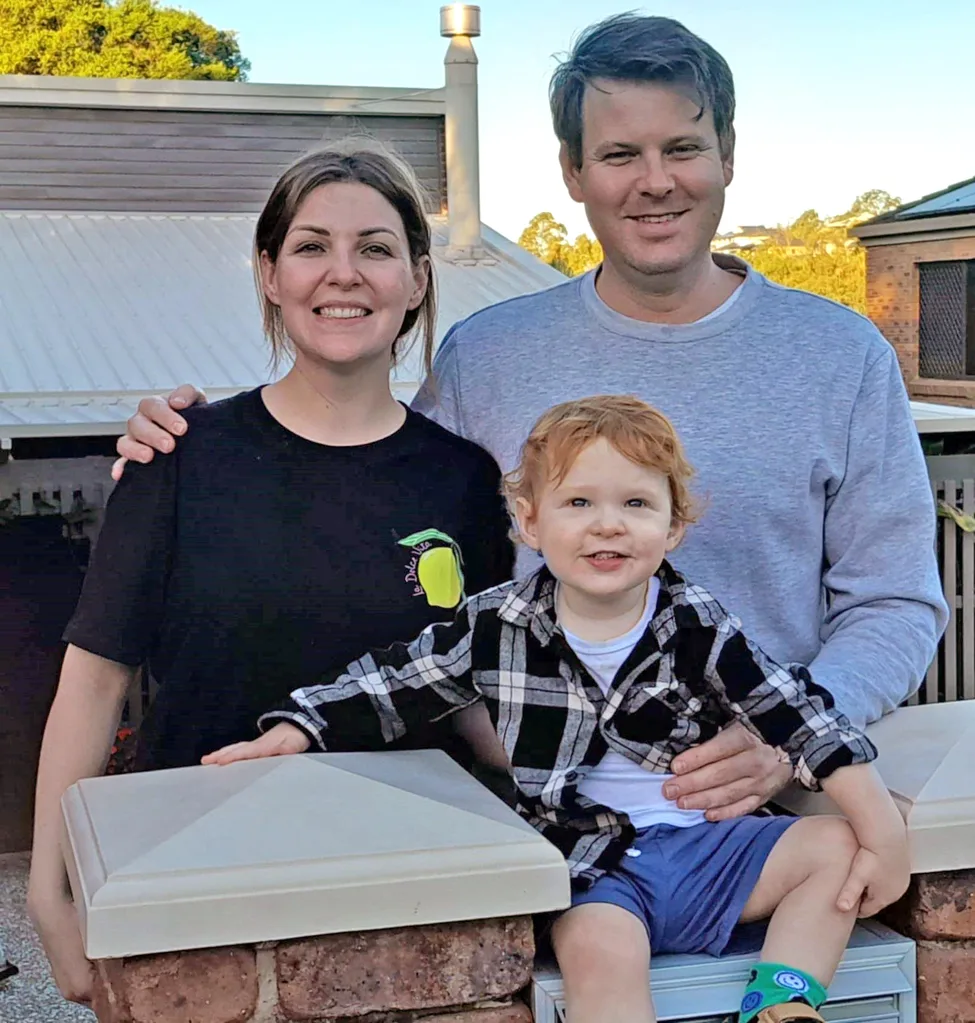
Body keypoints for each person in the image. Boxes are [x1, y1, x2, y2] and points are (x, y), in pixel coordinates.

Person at [115, 14, 947, 821]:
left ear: (726, 155)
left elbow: (895, 602)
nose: (653, 180)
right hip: (539, 832)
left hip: (772, 820)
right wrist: (196, 448)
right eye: (619, 153)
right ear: (573, 172)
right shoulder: (489, 358)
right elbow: (369, 492)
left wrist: (791, 733)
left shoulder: (840, 357)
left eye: (682, 148)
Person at [202, 396, 911, 1023]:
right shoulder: (497, 624)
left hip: (710, 849)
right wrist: (299, 724)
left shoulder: (697, 624)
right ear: (530, 521)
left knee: (834, 849)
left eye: (636, 504)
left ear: (673, 528)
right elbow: (394, 683)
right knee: (601, 956)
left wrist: (881, 830)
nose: (608, 526)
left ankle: (782, 999)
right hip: (592, 865)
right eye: (579, 503)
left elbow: (796, 714)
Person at [27, 142, 514, 1006]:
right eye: (311, 246)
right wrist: (50, 887)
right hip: (192, 901)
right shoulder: (179, 457)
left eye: (374, 248)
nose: (344, 273)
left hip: (414, 910)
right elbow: (96, 676)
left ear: (417, 278)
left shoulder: (465, 481)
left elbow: (481, 698)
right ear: (268, 273)